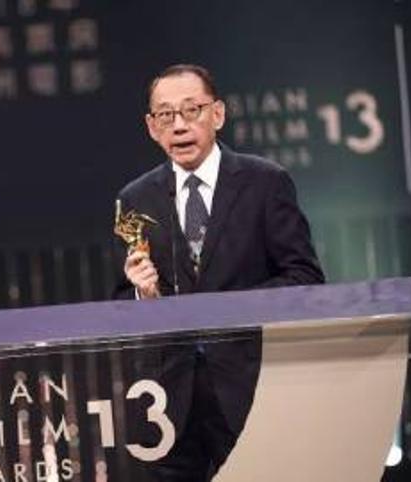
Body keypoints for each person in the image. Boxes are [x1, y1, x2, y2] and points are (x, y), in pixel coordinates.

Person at [113, 64, 324, 480]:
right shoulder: (135, 199)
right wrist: (143, 296)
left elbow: (304, 279)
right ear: (151, 127)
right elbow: (121, 302)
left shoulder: (265, 183)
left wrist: (229, 310)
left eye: (191, 110)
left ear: (218, 114)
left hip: (251, 386)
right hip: (169, 401)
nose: (179, 125)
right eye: (166, 115)